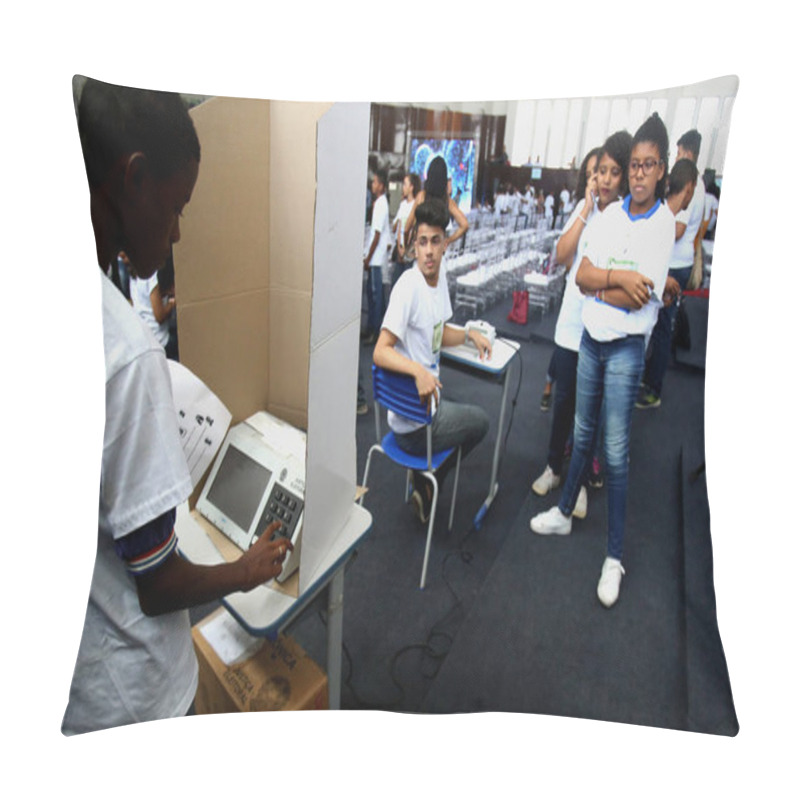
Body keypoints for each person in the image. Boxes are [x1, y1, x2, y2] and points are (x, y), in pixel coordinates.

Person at [63, 77, 293, 735]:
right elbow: (156, 582)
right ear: (133, 178)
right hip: (135, 695)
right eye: (177, 205)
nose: (180, 231)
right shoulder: (127, 351)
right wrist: (244, 571)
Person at [529, 113, 675, 609]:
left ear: (661, 171)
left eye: (646, 165)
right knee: (582, 432)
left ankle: (614, 557)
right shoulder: (608, 217)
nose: (636, 174)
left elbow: (641, 297)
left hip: (626, 351)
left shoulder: (662, 226)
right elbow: (581, 277)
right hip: (590, 340)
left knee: (614, 453)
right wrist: (615, 278)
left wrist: (604, 286)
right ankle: (564, 512)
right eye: (632, 165)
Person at [531, 132, 633, 516]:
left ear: (619, 178)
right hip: (571, 324)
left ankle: (579, 480)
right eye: (596, 173)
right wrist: (586, 208)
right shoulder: (583, 208)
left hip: (599, 326)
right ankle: (553, 467)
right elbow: (561, 255)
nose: (602, 180)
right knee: (562, 403)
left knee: (587, 411)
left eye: (608, 173)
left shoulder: (623, 219)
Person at [374, 199, 491, 523]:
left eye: (435, 241)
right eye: (422, 242)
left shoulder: (439, 282)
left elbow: (439, 333)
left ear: (445, 245)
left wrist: (468, 334)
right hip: (415, 425)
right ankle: (431, 480)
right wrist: (418, 371)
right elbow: (380, 351)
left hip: (420, 409)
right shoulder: (408, 288)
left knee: (457, 405)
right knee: (480, 421)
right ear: (414, 246)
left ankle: (426, 479)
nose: (428, 251)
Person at [637, 130, 705, 409]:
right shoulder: (692, 186)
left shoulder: (691, 186)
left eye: (678, 153)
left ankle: (653, 388)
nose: (676, 159)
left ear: (688, 152)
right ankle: (648, 378)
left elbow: (676, 230)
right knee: (656, 324)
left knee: (662, 327)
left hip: (674, 266)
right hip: (672, 263)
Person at [404, 156, 469, 251]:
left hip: (422, 250)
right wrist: (448, 240)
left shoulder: (422, 197)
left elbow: (407, 228)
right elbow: (464, 224)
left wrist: (406, 246)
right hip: (438, 252)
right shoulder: (447, 201)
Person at [362, 168, 392, 344]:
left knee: (376, 296)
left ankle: (375, 331)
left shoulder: (381, 204)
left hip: (376, 259)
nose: (372, 185)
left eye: (374, 182)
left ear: (381, 185)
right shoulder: (379, 203)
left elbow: (377, 235)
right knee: (373, 295)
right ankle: (370, 329)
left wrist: (368, 258)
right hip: (375, 258)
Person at [391, 172, 420, 288]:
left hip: (410, 251)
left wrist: (406, 249)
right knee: (395, 284)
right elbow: (397, 227)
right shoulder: (403, 205)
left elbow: (413, 228)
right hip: (400, 249)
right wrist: (399, 247)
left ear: (411, 187)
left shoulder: (415, 205)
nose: (403, 187)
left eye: (405, 184)